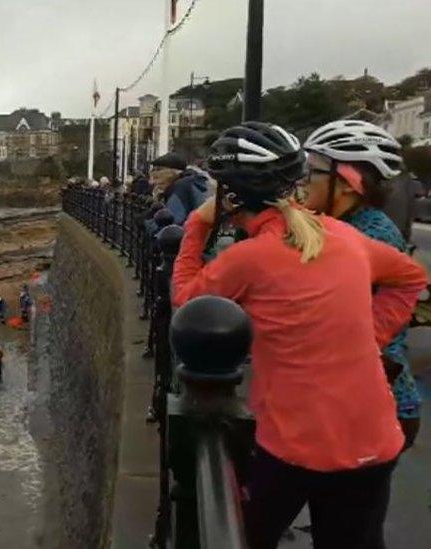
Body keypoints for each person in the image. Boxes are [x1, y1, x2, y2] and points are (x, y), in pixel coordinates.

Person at [172, 121, 426, 549]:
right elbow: (410, 277)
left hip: (295, 444)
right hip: (374, 440)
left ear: (230, 195)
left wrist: (197, 227)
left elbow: (186, 301)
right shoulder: (344, 235)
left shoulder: (249, 258)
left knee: (237, 535)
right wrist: (372, 335)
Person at [302, 119, 422, 449]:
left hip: (370, 409)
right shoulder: (343, 224)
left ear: (347, 183)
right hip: (351, 401)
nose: (303, 180)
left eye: (313, 171)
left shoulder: (364, 238)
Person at [144, 152, 211, 234]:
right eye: (153, 169)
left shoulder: (180, 187)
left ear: (174, 172)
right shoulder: (193, 182)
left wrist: (149, 219)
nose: (154, 174)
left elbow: (168, 226)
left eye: (159, 169)